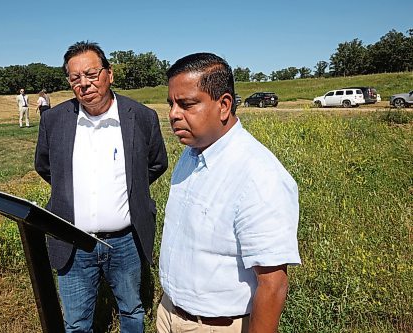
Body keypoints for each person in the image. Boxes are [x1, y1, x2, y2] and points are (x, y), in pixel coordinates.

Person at [157, 53, 301, 333]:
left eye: (186, 104)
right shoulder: (192, 154)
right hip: (169, 313)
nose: (173, 114)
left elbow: (273, 284)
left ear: (224, 105)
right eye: (171, 104)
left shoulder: (259, 176)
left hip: (215, 326)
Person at [35, 41, 168, 333]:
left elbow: (157, 163)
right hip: (73, 241)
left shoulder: (141, 117)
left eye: (92, 74)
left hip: (125, 241)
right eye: (75, 78)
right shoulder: (54, 121)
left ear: (109, 74)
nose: (84, 84)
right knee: (76, 323)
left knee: (132, 312)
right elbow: (45, 167)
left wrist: (130, 189)